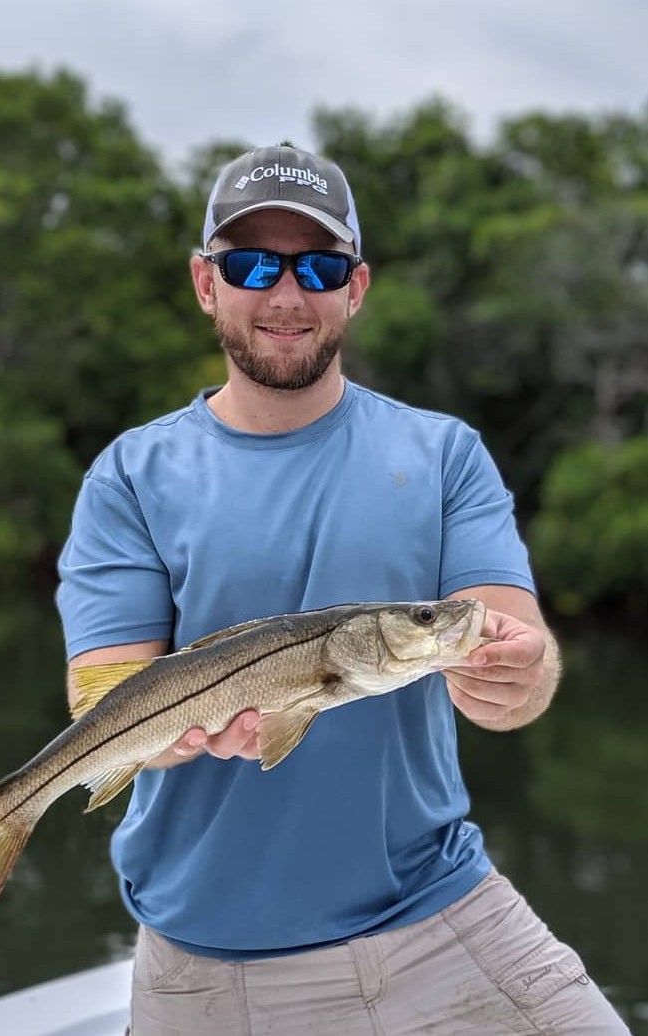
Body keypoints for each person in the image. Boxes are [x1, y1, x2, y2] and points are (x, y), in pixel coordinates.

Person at [56, 145, 631, 1035]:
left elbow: (514, 653)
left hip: (444, 914)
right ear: (206, 283)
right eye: (251, 264)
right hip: (207, 959)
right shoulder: (130, 474)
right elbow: (100, 689)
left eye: (317, 266)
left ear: (354, 287)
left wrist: (517, 674)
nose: (286, 295)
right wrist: (169, 739)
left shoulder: (444, 454)